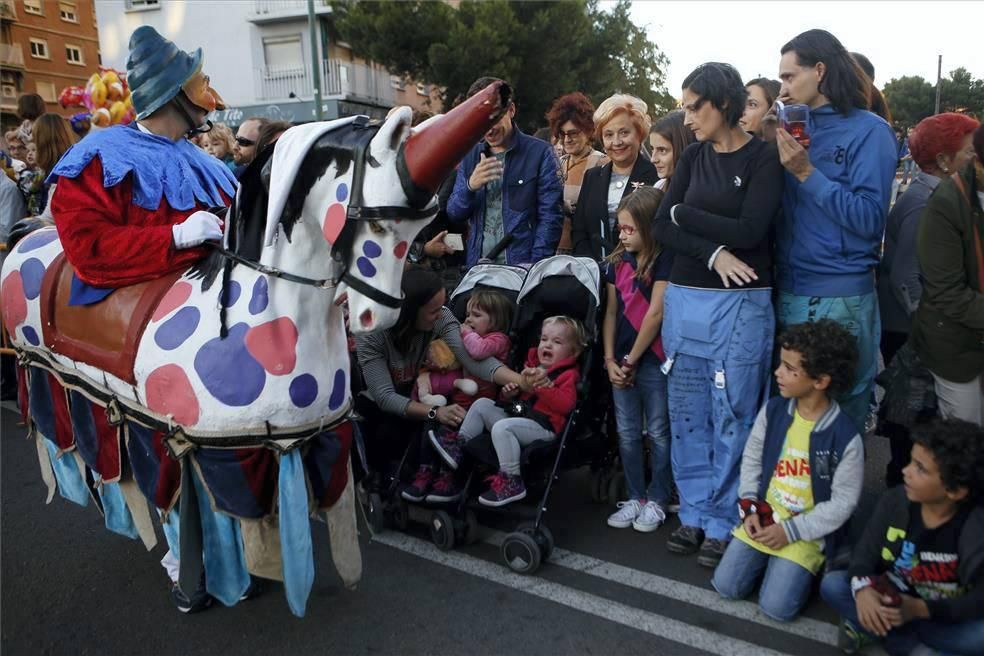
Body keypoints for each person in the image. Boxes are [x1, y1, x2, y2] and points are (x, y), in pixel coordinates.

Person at [652, 62, 784, 567]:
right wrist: (713, 253)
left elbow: (752, 231)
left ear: (722, 104)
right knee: (689, 414)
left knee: (734, 414)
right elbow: (664, 225)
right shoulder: (692, 159)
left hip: (744, 305)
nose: (686, 119)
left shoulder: (763, 159)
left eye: (694, 107)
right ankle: (694, 514)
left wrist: (688, 215)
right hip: (688, 297)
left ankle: (725, 520)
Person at [49, 26, 236, 298]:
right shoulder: (99, 156)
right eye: (199, 83)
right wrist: (175, 237)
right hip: (130, 316)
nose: (212, 97)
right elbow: (87, 247)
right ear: (173, 93)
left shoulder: (210, 164)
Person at [774, 29, 899, 432]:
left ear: (821, 71)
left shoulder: (870, 131)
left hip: (841, 295)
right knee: (796, 418)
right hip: (789, 290)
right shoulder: (791, 127)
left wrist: (807, 172)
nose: (783, 87)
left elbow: (868, 219)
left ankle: (841, 497)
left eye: (790, 77)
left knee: (840, 417)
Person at [712, 320, 863, 622]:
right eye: (781, 364)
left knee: (776, 609)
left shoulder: (845, 436)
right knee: (726, 586)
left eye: (789, 368)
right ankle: (773, 563)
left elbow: (843, 503)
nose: (778, 373)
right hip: (765, 515)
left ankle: (805, 568)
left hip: (806, 531)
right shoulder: (774, 410)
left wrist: (789, 532)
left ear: (820, 381)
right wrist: (750, 507)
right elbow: (752, 460)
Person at [355, 269, 535, 502]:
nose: (441, 314)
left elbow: (474, 361)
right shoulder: (371, 332)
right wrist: (435, 412)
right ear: (409, 312)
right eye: (433, 311)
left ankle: (433, 475)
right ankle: (376, 473)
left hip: (425, 392)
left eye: (443, 306)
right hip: (385, 403)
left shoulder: (443, 317)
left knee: (443, 425)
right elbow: (385, 397)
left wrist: (521, 380)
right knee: (386, 431)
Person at [820, 418, 984, 656]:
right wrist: (864, 591)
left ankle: (885, 636)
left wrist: (919, 609)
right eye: (911, 461)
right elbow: (863, 556)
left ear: (955, 490)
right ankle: (906, 643)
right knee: (833, 585)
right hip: (891, 603)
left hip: (940, 615)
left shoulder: (975, 525)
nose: (906, 472)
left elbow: (979, 599)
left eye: (920, 468)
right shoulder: (895, 501)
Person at [430, 315, 584, 507]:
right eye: (544, 339)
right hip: (520, 414)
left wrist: (541, 387)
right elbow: (515, 402)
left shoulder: (568, 375)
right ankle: (459, 447)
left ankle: (511, 480)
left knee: (503, 427)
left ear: (573, 352)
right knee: (482, 404)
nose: (548, 345)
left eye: (557, 342)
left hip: (544, 426)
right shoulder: (531, 367)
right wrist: (509, 394)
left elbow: (566, 405)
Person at [878, 113, 980, 365]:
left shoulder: (942, 195)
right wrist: (936, 329)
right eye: (970, 152)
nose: (978, 159)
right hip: (910, 331)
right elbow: (906, 277)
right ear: (943, 160)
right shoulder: (926, 203)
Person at [601, 187, 674, 532]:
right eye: (620, 228)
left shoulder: (664, 262)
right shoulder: (617, 263)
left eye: (630, 229)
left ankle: (658, 497)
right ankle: (635, 496)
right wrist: (609, 359)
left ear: (650, 227)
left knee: (658, 431)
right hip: (622, 361)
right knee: (627, 432)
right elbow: (612, 314)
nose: (623, 235)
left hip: (652, 359)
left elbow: (655, 314)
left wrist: (629, 360)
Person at [447, 76, 563, 268]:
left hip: (522, 270)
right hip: (478, 267)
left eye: (495, 117)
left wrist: (533, 267)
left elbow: (551, 218)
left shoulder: (540, 153)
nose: (489, 129)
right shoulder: (470, 154)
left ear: (511, 110)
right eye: (481, 122)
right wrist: (470, 186)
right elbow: (454, 213)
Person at [911, 125, 984, 426]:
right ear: (978, 164)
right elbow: (946, 292)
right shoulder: (947, 201)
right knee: (964, 440)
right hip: (957, 346)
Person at [571, 94, 658, 260]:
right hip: (594, 275)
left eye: (624, 132)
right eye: (609, 135)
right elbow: (579, 230)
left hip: (638, 275)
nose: (617, 142)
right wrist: (592, 268)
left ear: (639, 134)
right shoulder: (592, 177)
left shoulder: (656, 177)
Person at [545, 92, 606, 254]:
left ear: (588, 130)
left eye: (573, 133)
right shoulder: (557, 163)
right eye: (562, 134)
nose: (567, 140)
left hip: (583, 253)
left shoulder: (602, 163)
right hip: (551, 249)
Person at [31, 113, 78, 223]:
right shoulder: (71, 165)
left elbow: (48, 220)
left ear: (42, 145)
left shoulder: (63, 175)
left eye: (34, 142)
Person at [649, 110, 696, 190]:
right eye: (652, 149)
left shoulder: (702, 194)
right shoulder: (659, 186)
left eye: (662, 150)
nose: (653, 159)